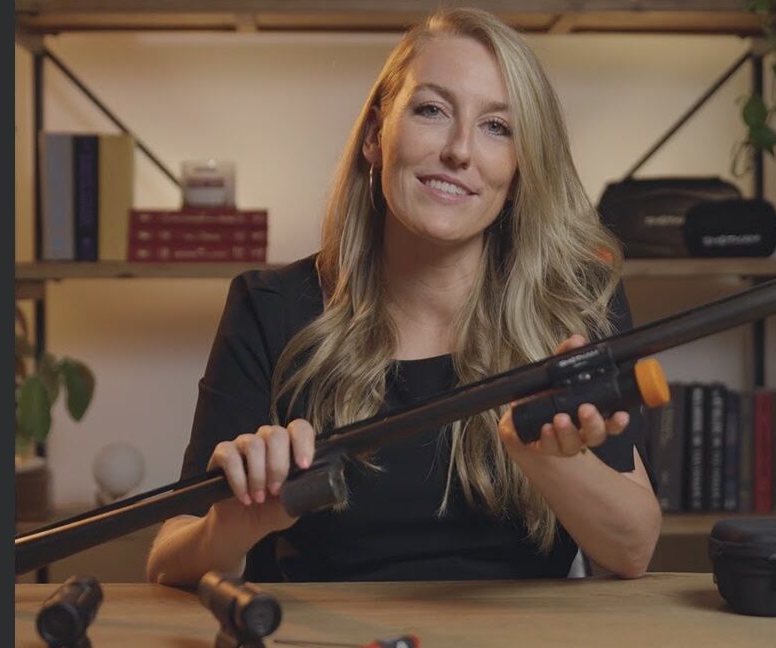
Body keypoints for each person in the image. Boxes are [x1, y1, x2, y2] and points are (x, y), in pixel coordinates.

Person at [145, 6, 661, 585]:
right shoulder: (270, 307)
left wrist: (543, 458)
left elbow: (632, 552)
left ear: (520, 169)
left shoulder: (576, 304)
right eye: (432, 110)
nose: (460, 150)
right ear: (375, 136)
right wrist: (235, 524)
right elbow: (167, 561)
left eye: (497, 127)